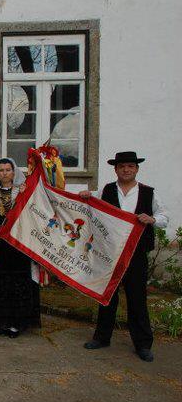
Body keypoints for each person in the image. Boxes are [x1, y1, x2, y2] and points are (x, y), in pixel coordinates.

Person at [81, 151, 168, 362]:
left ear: (136, 169)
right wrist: (85, 196)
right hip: (110, 251)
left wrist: (152, 219)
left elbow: (164, 216)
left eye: (130, 166)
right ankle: (102, 337)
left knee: (137, 297)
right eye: (122, 167)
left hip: (136, 253)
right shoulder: (107, 189)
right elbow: (93, 203)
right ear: (116, 169)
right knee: (107, 295)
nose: (126, 170)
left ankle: (143, 344)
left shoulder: (149, 193)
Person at [0, 158, 40, 337]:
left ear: (14, 173)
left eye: (8, 170)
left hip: (17, 243)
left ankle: (16, 323)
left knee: (16, 284)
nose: (5, 173)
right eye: (1, 170)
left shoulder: (22, 192)